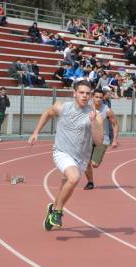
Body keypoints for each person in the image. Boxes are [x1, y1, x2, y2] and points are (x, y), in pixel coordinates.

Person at [28, 80, 104, 230]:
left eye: (87, 94)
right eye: (81, 93)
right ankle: (58, 212)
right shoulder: (62, 107)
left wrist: (93, 122)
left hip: (81, 157)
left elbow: (99, 141)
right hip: (62, 152)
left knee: (66, 187)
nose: (84, 96)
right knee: (74, 178)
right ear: (74, 93)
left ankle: (53, 209)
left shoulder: (96, 115)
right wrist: (36, 132)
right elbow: (47, 113)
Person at [83, 91, 119, 190]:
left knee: (94, 164)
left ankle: (97, 157)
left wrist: (115, 140)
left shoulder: (107, 110)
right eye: (96, 97)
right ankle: (90, 182)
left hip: (103, 139)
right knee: (86, 162)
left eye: (100, 97)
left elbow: (115, 124)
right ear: (92, 97)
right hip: (89, 138)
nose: (98, 99)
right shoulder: (87, 107)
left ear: (103, 98)